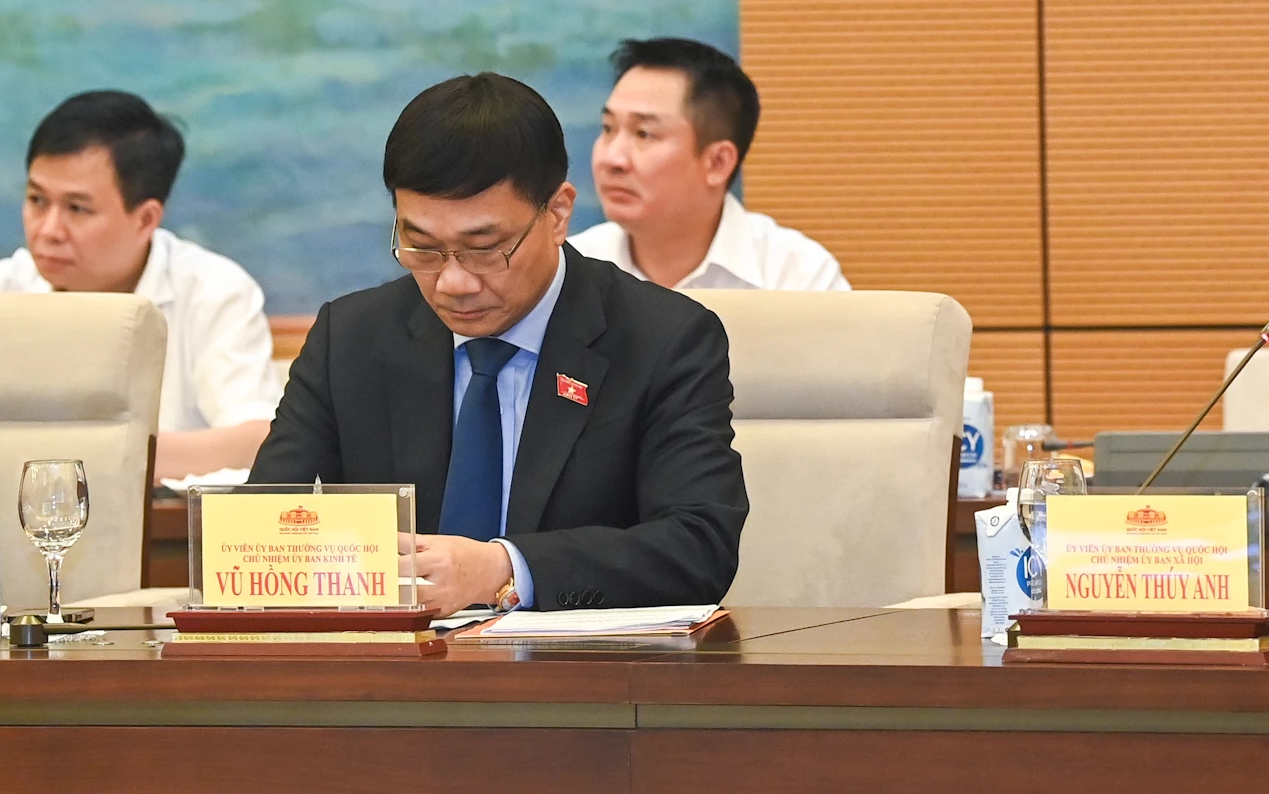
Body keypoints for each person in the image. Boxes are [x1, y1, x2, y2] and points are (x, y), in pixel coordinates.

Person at [251, 72, 748, 616]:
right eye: (423, 248)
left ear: (557, 214)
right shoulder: (351, 338)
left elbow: (698, 546)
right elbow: (260, 528)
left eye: (485, 248)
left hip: (579, 685)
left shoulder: (663, 339)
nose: (453, 282)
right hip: (390, 682)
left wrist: (503, 569)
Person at [0, 91, 281, 479]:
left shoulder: (213, 290)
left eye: (77, 208)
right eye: (37, 200)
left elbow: (255, 440)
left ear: (145, 220)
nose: (49, 230)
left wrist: (92, 460)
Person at [570, 38, 850, 291]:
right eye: (608, 128)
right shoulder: (568, 270)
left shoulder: (797, 277)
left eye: (644, 133)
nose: (612, 159)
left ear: (717, 162)